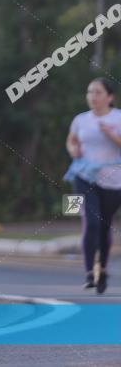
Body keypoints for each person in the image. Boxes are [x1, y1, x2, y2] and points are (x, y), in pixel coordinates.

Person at [65, 78, 121, 294]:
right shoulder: (80, 119)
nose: (92, 96)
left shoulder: (118, 118)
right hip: (84, 176)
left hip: (114, 180)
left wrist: (110, 134)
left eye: (97, 92)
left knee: (105, 225)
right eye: (89, 92)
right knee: (91, 222)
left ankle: (103, 269)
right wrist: (73, 150)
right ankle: (89, 272)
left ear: (110, 97)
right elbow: (71, 140)